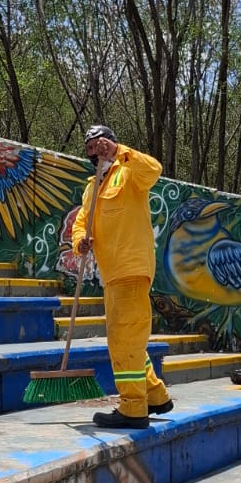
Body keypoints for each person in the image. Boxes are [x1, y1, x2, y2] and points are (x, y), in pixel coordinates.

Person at [72, 124, 174, 429]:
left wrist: (119, 152)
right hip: (112, 274)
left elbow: (153, 170)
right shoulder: (92, 187)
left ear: (112, 143)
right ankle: (155, 395)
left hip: (131, 268)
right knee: (129, 339)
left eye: (100, 144)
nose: (96, 151)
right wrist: (81, 242)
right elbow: (80, 222)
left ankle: (132, 407)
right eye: (90, 146)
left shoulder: (129, 172)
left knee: (123, 341)